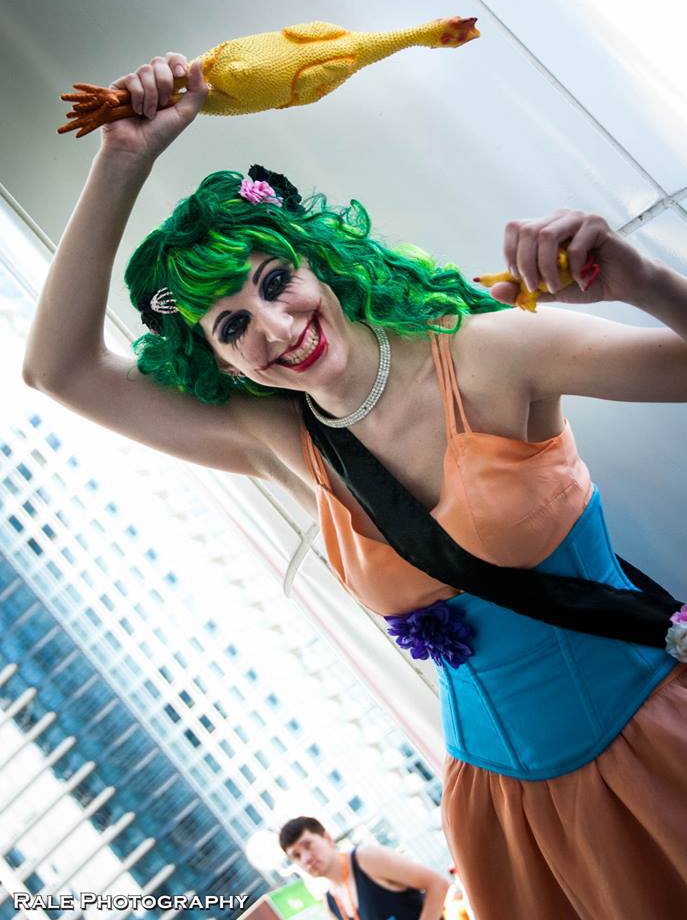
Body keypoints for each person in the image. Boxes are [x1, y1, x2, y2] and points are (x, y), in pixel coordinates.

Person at [23, 53, 687, 919]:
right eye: (232, 325)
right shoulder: (280, 442)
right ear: (219, 361)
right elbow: (60, 369)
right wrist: (123, 158)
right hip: (507, 813)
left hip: (651, 748)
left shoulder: (483, 354)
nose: (275, 326)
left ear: (317, 263)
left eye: (275, 282)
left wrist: (641, 281)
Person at [278, 816, 449, 920]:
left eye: (308, 845)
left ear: (327, 838)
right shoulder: (331, 902)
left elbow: (438, 884)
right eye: (296, 855)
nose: (306, 858)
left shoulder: (366, 858)